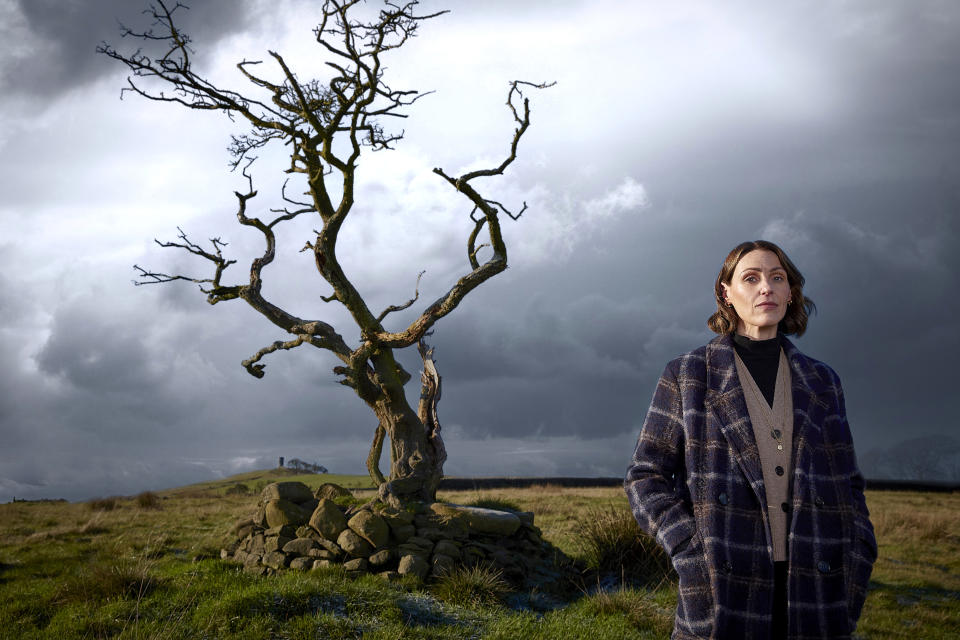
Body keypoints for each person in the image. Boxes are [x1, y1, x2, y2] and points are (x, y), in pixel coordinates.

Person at [624, 240, 877, 639]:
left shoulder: (823, 381)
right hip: (724, 582)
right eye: (751, 278)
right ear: (726, 293)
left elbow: (848, 482)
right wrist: (690, 549)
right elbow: (645, 477)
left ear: (790, 292)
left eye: (778, 278)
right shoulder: (688, 374)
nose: (767, 288)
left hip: (816, 583)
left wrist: (860, 551)